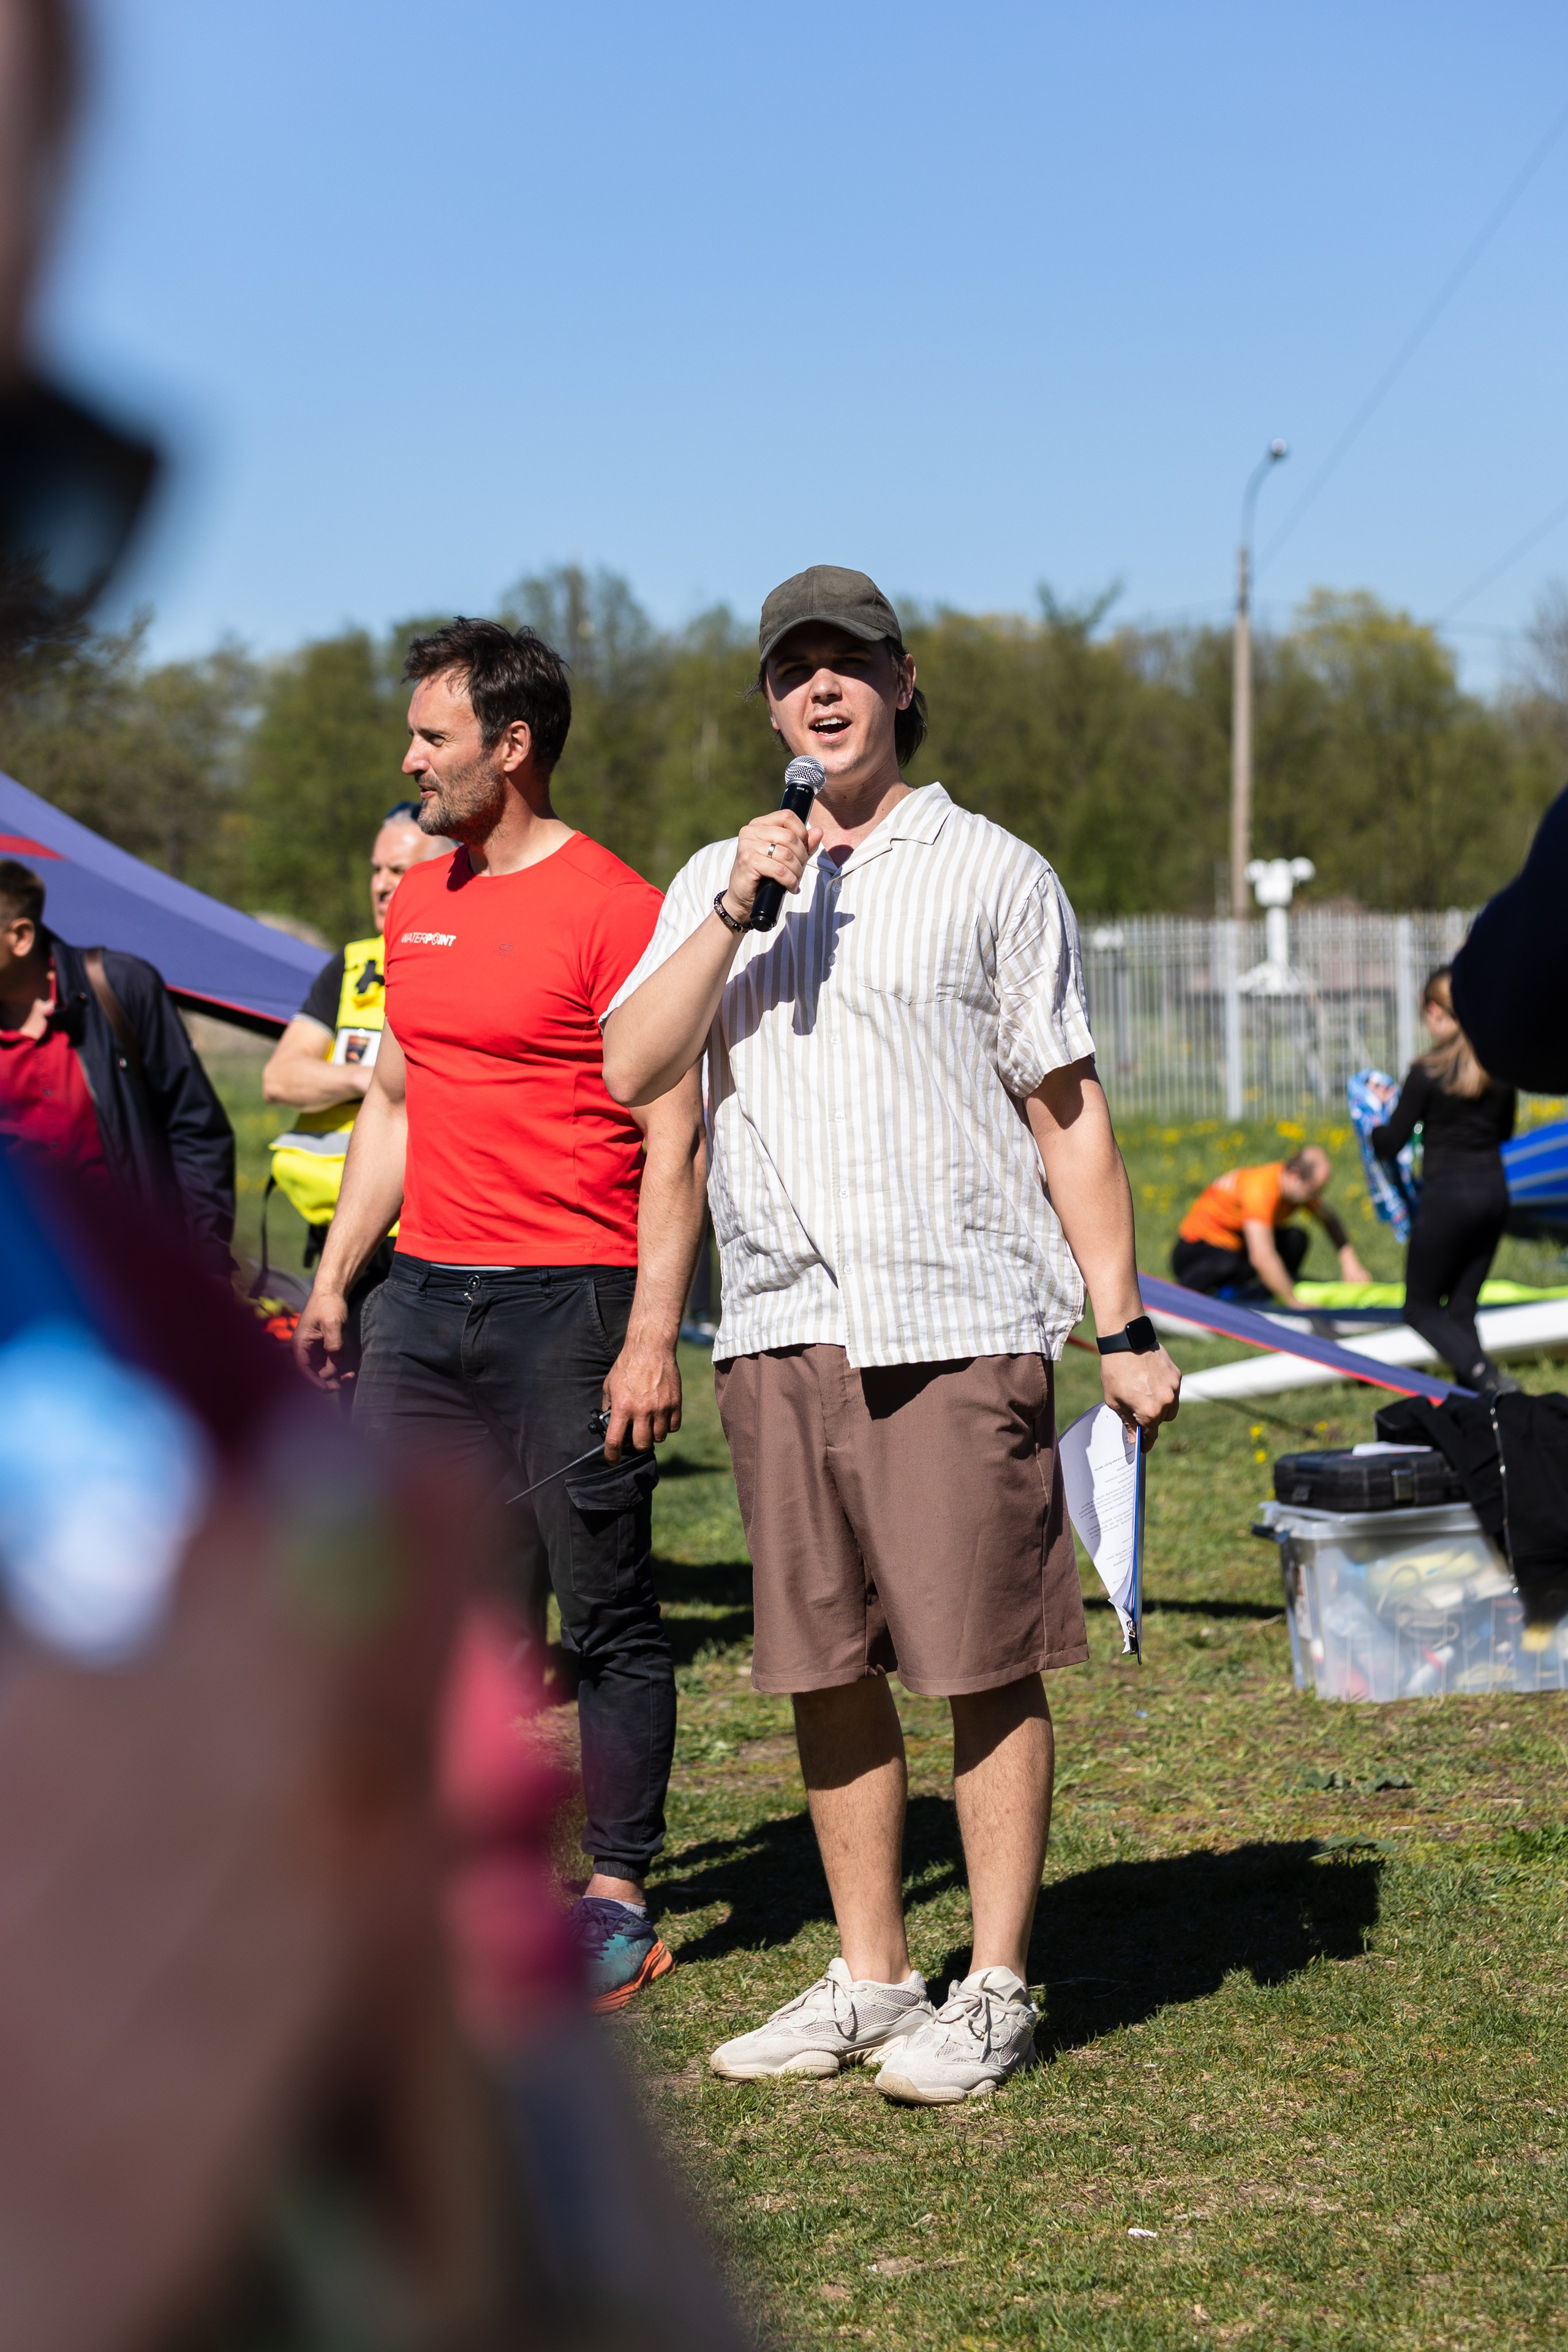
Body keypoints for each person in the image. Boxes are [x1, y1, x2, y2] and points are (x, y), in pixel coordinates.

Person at [601, 564, 1182, 2105]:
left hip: (953, 1316)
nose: (821, 690)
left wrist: (1119, 1321)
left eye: (846, 662)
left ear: (900, 681)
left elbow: (1068, 1116)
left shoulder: (989, 870)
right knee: (825, 1666)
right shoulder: (722, 881)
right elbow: (629, 1067)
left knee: (980, 1657)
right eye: (793, 670)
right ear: (770, 705)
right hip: (781, 1320)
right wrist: (735, 900)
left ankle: (992, 1983)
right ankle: (871, 1977)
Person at [293, 619, 707, 2011]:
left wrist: (653, 1327)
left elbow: (674, 1131)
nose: (409, 757)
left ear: (511, 745)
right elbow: (394, 1103)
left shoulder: (613, 905)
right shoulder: (416, 897)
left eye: (432, 736)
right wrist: (344, 1277)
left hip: (571, 1302)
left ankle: (618, 1891)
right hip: (423, 1298)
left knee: (600, 1610)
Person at [261, 801, 449, 1347]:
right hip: (345, 1230)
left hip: (429, 1239)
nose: (382, 885)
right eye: (377, 870)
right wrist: (371, 1076)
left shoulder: (463, 960)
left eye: (399, 871)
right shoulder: (351, 967)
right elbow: (282, 1077)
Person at [0, 855, 235, 1269]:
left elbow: (195, 1130)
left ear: (20, 937)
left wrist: (207, 1261)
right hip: (24, 1284)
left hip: (135, 1273)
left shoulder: (121, 988)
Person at [1370, 966, 1517, 1395]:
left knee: (1418, 1308)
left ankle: (1485, 1377)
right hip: (1494, 1195)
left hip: (1448, 1199)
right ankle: (1481, 1410)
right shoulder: (1500, 1070)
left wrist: (1377, 1117)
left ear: (1435, 1012)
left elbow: (1389, 1143)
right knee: (1460, 1310)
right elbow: (1504, 1132)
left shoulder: (1426, 1072)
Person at [1170, 1145, 1371, 1304]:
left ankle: (1266, 1289)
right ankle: (1189, 1300)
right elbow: (1261, 1256)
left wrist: (1350, 1262)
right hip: (1196, 1250)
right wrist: (1293, 1301)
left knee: (1296, 1239)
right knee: (1229, 1264)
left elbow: (1329, 1220)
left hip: (1238, 1244)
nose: (1316, 1198)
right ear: (1294, 1175)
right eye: (1313, 1192)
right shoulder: (1261, 1189)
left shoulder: (1298, 1189)